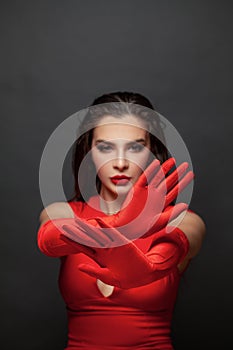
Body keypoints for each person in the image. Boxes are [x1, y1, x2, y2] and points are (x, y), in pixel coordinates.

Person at [37, 92, 206, 349]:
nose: (119, 163)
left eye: (135, 147)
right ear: (88, 152)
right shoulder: (63, 212)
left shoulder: (182, 219)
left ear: (152, 151)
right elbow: (50, 239)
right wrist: (117, 224)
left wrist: (147, 263)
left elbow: (179, 243)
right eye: (105, 147)